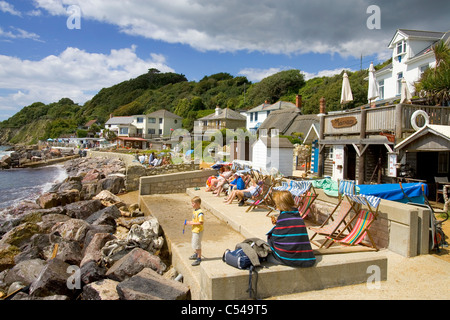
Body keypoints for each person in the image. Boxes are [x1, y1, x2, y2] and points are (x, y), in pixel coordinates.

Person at [266, 191, 316, 268]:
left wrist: (277, 226)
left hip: (289, 258)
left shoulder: (283, 218)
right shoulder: (297, 216)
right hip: (306, 257)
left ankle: (280, 258)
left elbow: (277, 237)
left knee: (270, 237)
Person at [186, 196, 204, 266]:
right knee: (194, 243)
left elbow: (201, 222)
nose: (192, 205)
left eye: (193, 203)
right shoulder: (195, 211)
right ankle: (196, 254)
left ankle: (199, 258)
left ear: (198, 204)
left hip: (198, 231)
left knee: (197, 245)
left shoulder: (200, 213)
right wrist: (190, 222)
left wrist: (191, 223)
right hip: (194, 230)